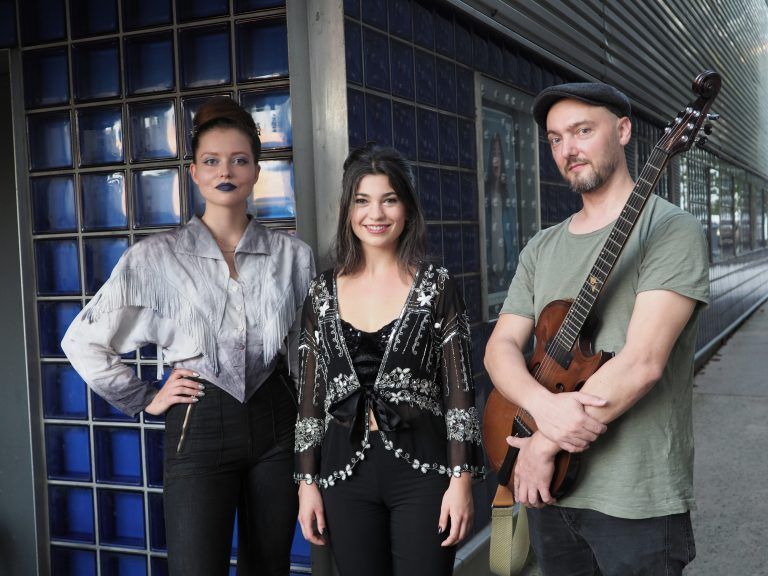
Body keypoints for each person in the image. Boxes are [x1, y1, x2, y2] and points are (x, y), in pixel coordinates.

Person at [62, 97, 315, 576]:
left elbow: (310, 352)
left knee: (270, 567)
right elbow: (82, 340)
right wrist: (145, 397)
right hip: (197, 425)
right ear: (194, 172)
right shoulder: (155, 258)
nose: (226, 171)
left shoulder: (293, 256)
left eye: (239, 160)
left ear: (256, 171)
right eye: (212, 161)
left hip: (278, 426)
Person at [484, 83, 709, 575]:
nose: (568, 149)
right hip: (550, 494)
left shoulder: (671, 230)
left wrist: (543, 444)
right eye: (555, 138)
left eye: (583, 131)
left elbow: (642, 362)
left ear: (623, 131)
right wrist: (542, 406)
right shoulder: (541, 247)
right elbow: (500, 347)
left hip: (635, 499)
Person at [294, 143, 485, 575]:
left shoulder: (437, 285)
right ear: (347, 209)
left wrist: (461, 481)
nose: (375, 214)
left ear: (407, 207)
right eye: (362, 200)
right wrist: (306, 483)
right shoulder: (321, 292)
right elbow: (309, 400)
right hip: (343, 476)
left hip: (425, 474)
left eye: (389, 200)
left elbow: (460, 395)